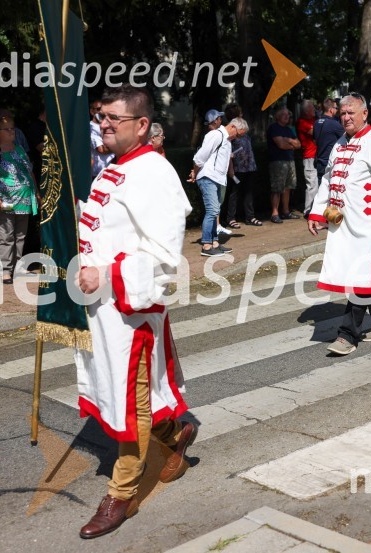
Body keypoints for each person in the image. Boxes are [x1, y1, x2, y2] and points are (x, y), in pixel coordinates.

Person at [74, 84, 195, 539]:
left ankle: (121, 493)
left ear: (141, 125)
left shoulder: (154, 172)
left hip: (130, 309)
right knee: (130, 390)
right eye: (101, 118)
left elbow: (165, 256)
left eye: (113, 119)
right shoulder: (114, 167)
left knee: (129, 397)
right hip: (103, 307)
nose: (103, 125)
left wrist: (105, 273)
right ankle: (173, 436)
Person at [307, 93, 371, 356]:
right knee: (363, 277)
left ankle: (347, 334)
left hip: (368, 227)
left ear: (364, 114)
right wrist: (317, 212)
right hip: (343, 226)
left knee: (359, 277)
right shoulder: (340, 142)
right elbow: (328, 179)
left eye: (351, 113)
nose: (346, 117)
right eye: (343, 113)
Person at [0, 116, 40, 284]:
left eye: (13, 128)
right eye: (8, 129)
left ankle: (18, 268)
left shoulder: (19, 149)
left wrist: (36, 192)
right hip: (4, 201)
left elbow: (30, 172)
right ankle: (5, 271)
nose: (12, 131)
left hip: (24, 200)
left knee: (20, 236)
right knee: (5, 236)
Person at [188, 111, 248, 256]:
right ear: (233, 127)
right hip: (208, 177)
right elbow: (200, 156)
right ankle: (207, 245)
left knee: (215, 211)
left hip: (216, 178)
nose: (239, 138)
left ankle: (214, 242)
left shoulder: (226, 140)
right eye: (239, 135)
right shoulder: (216, 135)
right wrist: (195, 172)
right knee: (212, 211)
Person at [267, 107, 301, 224]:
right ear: (278, 116)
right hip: (278, 161)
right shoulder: (274, 128)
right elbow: (281, 145)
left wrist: (289, 141)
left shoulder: (288, 130)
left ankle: (285, 211)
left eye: (288, 115)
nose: (287, 117)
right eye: (284, 115)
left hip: (290, 161)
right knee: (277, 188)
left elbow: (298, 144)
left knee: (288, 187)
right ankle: (275, 213)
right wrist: (291, 143)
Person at [313, 98, 344, 190]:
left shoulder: (316, 122)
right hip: (330, 161)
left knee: (321, 188)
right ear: (331, 110)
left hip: (319, 160)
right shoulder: (334, 124)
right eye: (336, 108)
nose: (337, 110)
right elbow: (348, 137)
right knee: (331, 189)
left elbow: (314, 140)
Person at [296, 100, 319, 218]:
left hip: (317, 155)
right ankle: (308, 211)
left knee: (318, 184)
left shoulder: (314, 120)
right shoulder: (302, 122)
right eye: (312, 108)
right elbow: (316, 132)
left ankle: (317, 209)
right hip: (309, 156)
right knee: (312, 184)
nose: (314, 109)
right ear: (306, 111)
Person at [89, 100, 112, 178]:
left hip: (112, 169)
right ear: (92, 111)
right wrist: (120, 147)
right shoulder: (90, 128)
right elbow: (102, 150)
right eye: (98, 109)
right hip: (99, 173)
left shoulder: (109, 125)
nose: (101, 112)